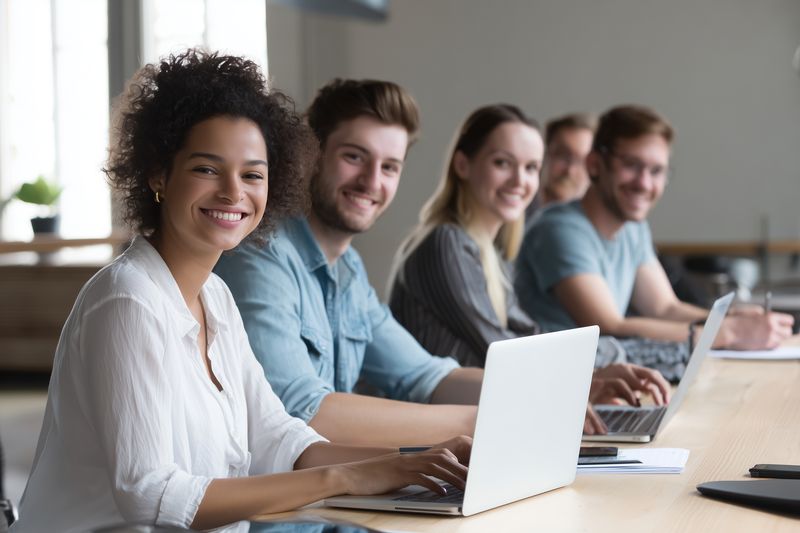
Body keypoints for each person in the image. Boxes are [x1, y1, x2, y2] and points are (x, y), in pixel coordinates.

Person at [12, 52, 470, 533]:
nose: (234, 193)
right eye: (207, 169)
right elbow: (147, 492)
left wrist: (414, 462)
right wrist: (347, 477)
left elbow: (277, 436)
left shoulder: (215, 296)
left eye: (253, 174)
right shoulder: (128, 300)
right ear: (158, 176)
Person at [215, 87, 666, 442]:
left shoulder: (347, 270)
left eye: (390, 166)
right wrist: (493, 415)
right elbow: (302, 408)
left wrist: (564, 389)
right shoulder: (263, 256)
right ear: (310, 155)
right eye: (355, 156)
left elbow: (427, 375)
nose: (372, 181)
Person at [387, 103, 669, 408]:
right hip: (436, 437)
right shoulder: (447, 243)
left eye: (531, 167)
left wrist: (600, 368)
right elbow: (505, 351)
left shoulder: (490, 254)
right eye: (502, 163)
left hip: (483, 420)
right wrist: (602, 364)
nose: (519, 181)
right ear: (462, 165)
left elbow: (529, 337)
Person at [515, 104, 794, 351]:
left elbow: (665, 308)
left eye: (656, 171)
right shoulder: (558, 229)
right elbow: (609, 326)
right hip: (559, 390)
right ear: (595, 164)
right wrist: (731, 332)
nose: (644, 184)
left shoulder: (632, 228)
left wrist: (733, 318)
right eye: (631, 165)